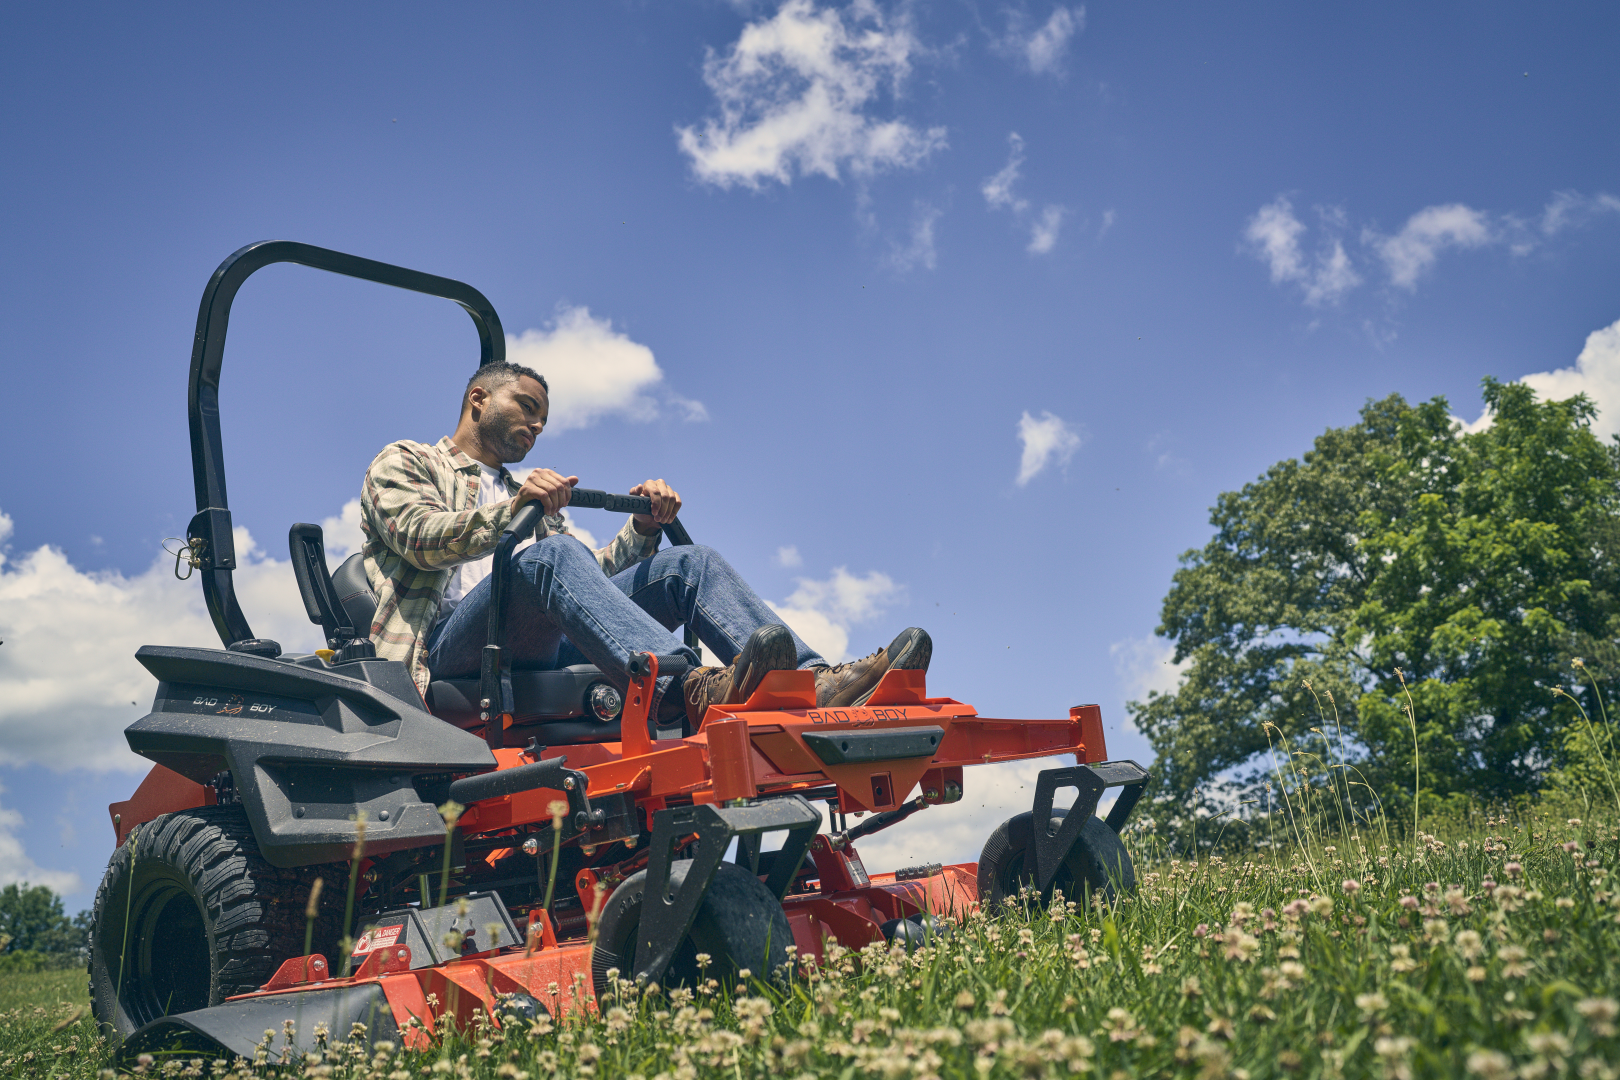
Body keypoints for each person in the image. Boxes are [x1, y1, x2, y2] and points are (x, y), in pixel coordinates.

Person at [358, 359, 931, 732]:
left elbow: (590, 582)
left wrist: (644, 530)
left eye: (543, 421)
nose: (536, 427)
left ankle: (813, 684)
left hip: (541, 631)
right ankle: (686, 687)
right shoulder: (408, 461)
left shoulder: (524, 495)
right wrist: (513, 513)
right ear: (478, 399)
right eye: (527, 409)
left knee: (689, 563)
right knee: (549, 556)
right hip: (451, 645)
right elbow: (418, 536)